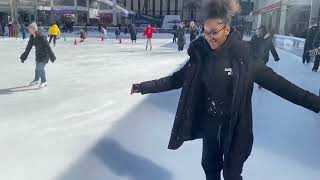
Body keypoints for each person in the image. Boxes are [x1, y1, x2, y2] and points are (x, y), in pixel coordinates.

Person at [130, 0, 320, 180]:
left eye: (214, 32)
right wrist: (143, 87)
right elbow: (175, 80)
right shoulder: (200, 57)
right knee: (210, 170)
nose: (208, 37)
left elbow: (283, 86)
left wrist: (316, 104)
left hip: (237, 128)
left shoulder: (245, 59)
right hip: (210, 126)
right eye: (205, 32)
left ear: (227, 29)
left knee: (231, 175)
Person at [20, 22, 56, 88]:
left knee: (40, 68)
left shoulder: (41, 37)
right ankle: (36, 80)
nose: (28, 29)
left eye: (30, 28)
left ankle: (44, 81)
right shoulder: (32, 37)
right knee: (37, 69)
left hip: (45, 55)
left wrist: (52, 57)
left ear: (34, 29)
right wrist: (24, 57)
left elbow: (48, 47)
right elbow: (28, 48)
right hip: (38, 55)